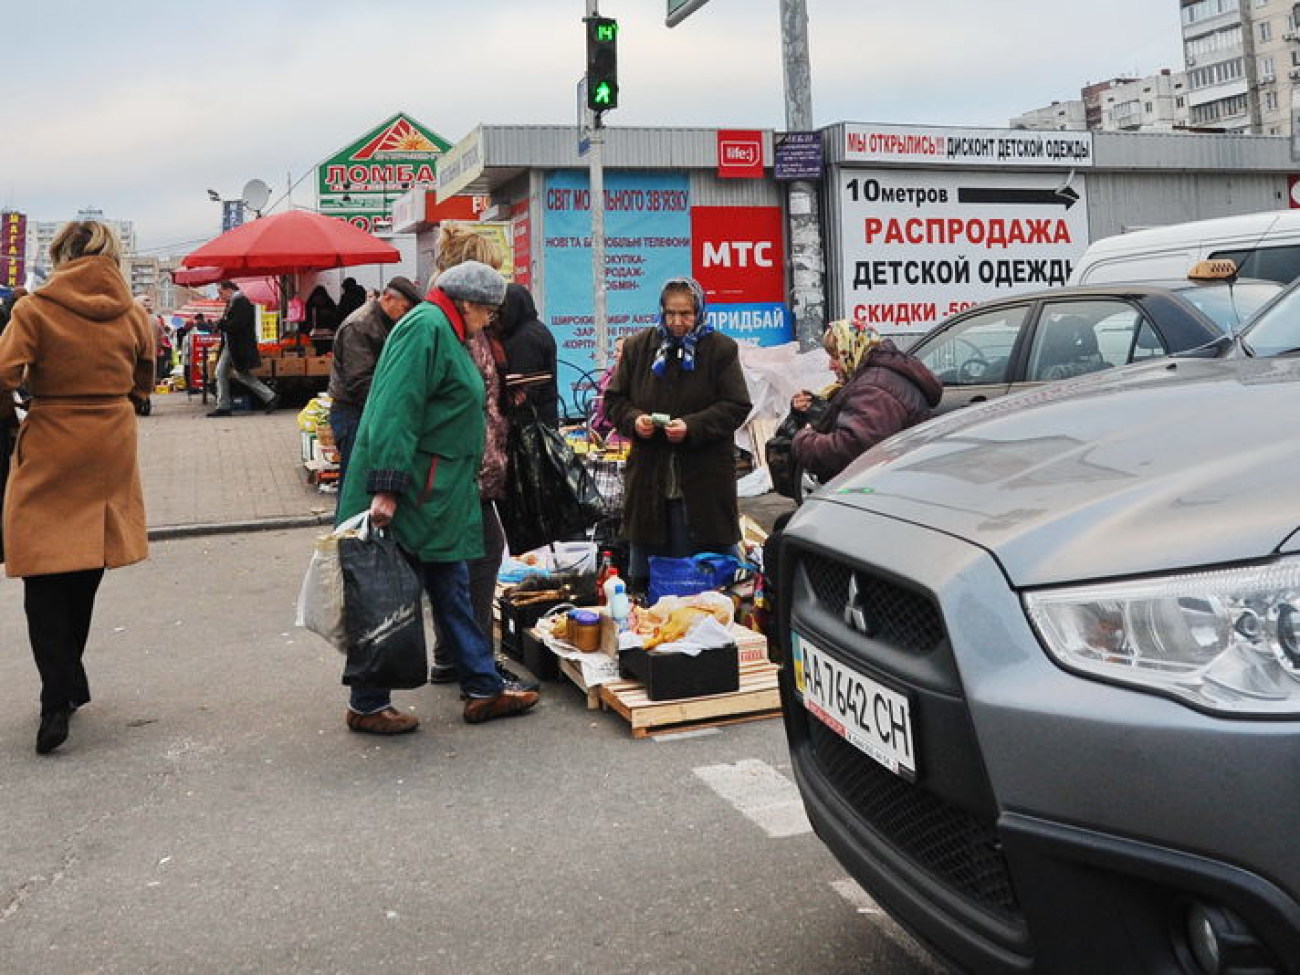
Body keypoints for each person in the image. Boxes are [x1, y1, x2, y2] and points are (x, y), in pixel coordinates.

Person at [336, 260, 539, 734]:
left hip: (438, 493)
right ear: (469, 302)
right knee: (386, 598)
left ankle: (483, 688)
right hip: (414, 492)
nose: (489, 321)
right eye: (488, 312)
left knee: (453, 591)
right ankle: (367, 703)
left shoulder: (445, 329)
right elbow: (394, 408)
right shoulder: (425, 328)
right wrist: (386, 488)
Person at [0, 220, 154, 754]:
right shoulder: (132, 311)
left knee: (42, 569)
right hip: (110, 438)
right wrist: (120, 398)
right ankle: (70, 681)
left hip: (51, 437)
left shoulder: (35, 308)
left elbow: (5, 372)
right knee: (86, 563)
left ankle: (54, 697)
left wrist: (16, 415)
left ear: (61, 254)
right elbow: (147, 375)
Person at [603, 277, 752, 596]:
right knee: (652, 579)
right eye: (670, 313)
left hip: (703, 481)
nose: (677, 322)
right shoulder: (639, 348)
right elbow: (615, 401)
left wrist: (692, 427)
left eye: (685, 314)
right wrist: (635, 420)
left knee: (704, 579)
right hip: (650, 479)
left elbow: (736, 405)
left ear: (699, 311)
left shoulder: (720, 350)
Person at [789, 319, 942, 485]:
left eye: (835, 356)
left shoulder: (874, 390)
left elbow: (850, 449)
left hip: (884, 489)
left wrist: (804, 441)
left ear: (852, 350)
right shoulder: (875, 378)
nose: (830, 365)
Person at [326, 275, 421, 480]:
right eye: (405, 309)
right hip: (353, 413)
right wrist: (391, 410)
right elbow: (360, 381)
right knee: (355, 480)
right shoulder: (360, 325)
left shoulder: (387, 322)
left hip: (370, 408)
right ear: (387, 298)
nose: (406, 316)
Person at [207, 280, 279, 417]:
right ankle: (223, 406)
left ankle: (269, 396)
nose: (220, 296)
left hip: (238, 346)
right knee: (221, 372)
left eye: (221, 292)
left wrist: (221, 323)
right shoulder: (234, 303)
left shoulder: (241, 302)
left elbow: (236, 325)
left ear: (229, 290)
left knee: (237, 374)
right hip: (231, 345)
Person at [497, 283, 560, 426]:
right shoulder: (534, 329)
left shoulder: (525, 337)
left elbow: (525, 384)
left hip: (531, 423)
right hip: (542, 417)